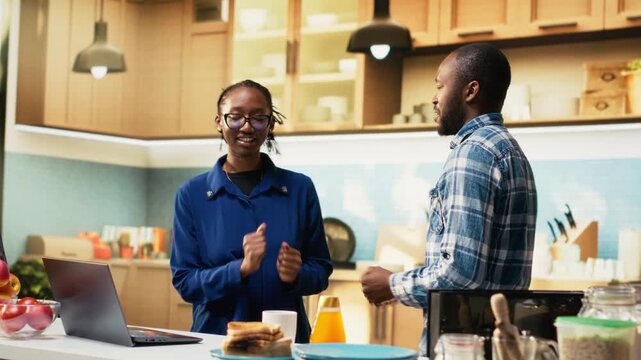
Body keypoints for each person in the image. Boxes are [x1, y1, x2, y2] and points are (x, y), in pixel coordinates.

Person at [361, 43, 537, 356]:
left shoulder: (474, 154)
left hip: (465, 348)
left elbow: (462, 276)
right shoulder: (510, 150)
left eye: (440, 86)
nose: (434, 97)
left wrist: (393, 284)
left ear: (470, 91)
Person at [170, 80, 333, 343]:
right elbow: (186, 282)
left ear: (270, 125)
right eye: (235, 117)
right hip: (216, 343)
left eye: (258, 118)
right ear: (219, 122)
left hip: (284, 345)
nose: (246, 126)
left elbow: (321, 271)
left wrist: (297, 275)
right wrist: (240, 269)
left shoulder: (299, 188)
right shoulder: (192, 194)